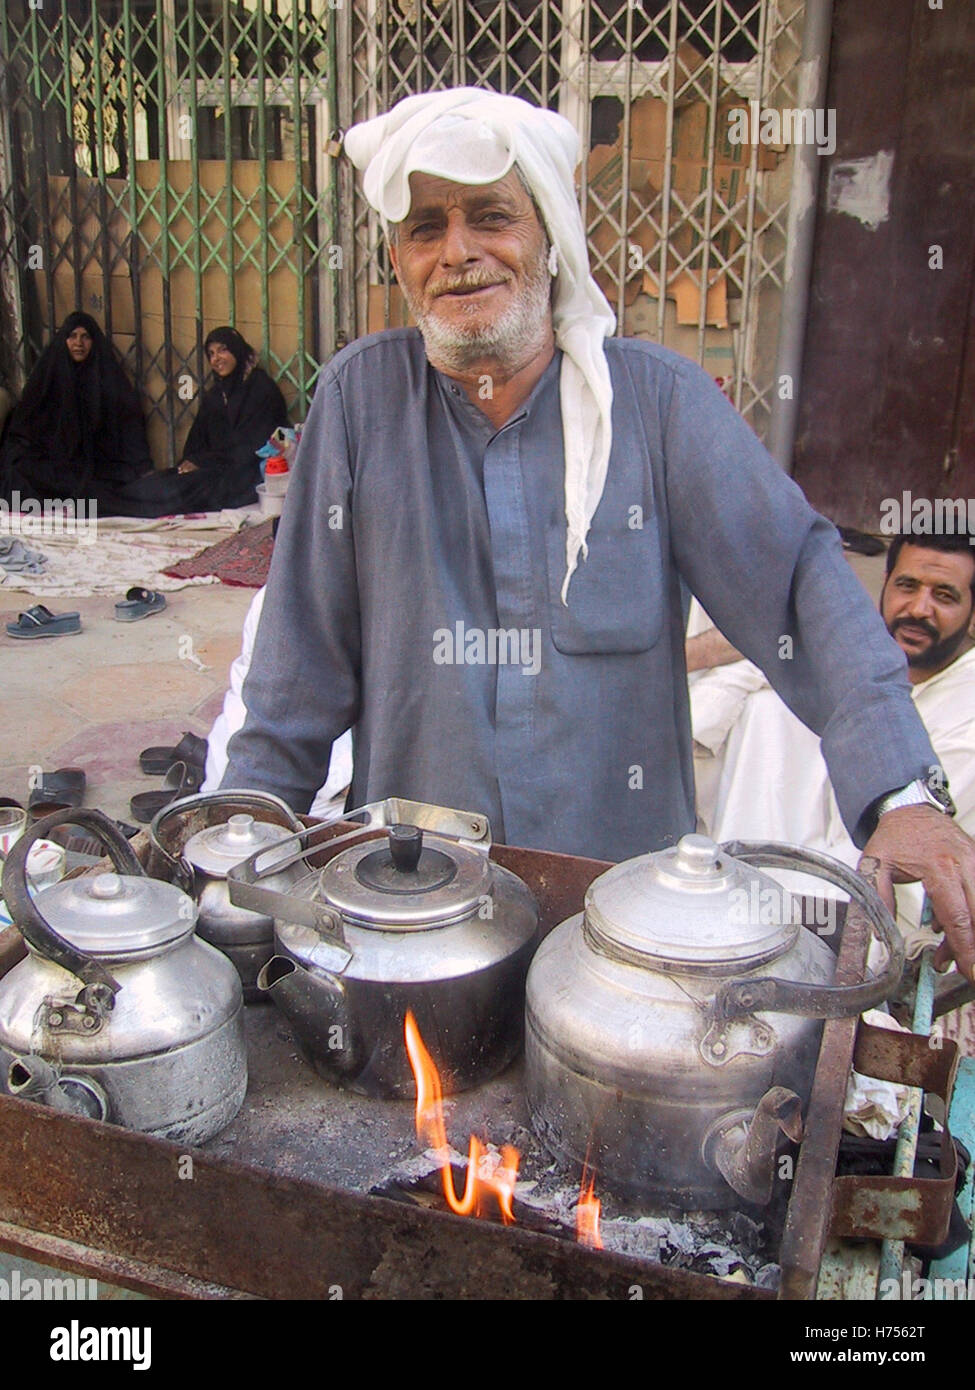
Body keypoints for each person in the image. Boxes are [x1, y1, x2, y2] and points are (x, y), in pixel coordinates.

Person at [221, 88, 975, 981]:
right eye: (426, 229)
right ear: (397, 258)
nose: (457, 253)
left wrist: (898, 791)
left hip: (624, 934)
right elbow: (295, 669)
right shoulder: (358, 403)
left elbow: (798, 587)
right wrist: (241, 842)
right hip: (415, 918)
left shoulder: (658, 407)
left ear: (550, 238)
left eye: (490, 218)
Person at [0, 311, 153, 507]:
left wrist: (142, 465)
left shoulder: (109, 379)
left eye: (85, 337)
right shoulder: (48, 377)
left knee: (100, 489)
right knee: (21, 473)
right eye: (72, 336)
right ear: (64, 340)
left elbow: (129, 424)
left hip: (96, 466)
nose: (78, 343)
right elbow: (25, 426)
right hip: (56, 464)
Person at [172, 327, 289, 509]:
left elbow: (256, 445)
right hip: (216, 470)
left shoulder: (260, 388)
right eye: (211, 354)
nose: (216, 359)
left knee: (187, 493)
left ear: (236, 350)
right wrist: (192, 462)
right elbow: (197, 441)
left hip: (248, 474)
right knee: (169, 483)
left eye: (222, 350)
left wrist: (206, 462)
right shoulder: (216, 394)